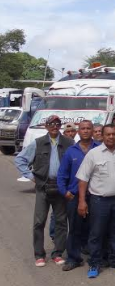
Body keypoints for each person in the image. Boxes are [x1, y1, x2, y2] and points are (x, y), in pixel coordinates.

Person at [77, 124, 115, 279]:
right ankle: (95, 262)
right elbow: (83, 179)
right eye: (108, 134)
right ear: (102, 136)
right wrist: (82, 201)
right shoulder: (93, 154)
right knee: (97, 233)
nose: (111, 137)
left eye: (113, 134)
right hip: (99, 201)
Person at [15, 114, 74, 267]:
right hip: (43, 187)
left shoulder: (69, 143)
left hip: (61, 188)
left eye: (57, 123)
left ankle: (58, 253)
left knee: (61, 222)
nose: (54, 126)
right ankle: (39, 254)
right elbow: (20, 159)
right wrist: (30, 176)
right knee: (39, 222)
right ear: (46, 126)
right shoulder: (38, 143)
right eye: (51, 124)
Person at [57, 120, 99, 271]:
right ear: (78, 132)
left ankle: (96, 257)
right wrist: (65, 192)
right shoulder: (71, 151)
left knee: (96, 228)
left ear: (93, 130)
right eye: (83, 129)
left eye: (89, 128)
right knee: (74, 228)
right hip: (74, 196)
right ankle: (73, 258)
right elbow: (61, 175)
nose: (86, 131)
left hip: (95, 195)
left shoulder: (100, 149)